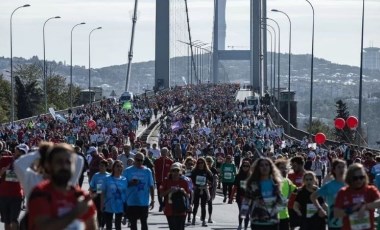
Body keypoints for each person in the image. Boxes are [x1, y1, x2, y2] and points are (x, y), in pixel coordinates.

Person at [28, 143, 97, 229]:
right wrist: (75, 212)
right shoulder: (40, 193)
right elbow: (43, 226)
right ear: (48, 165)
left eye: (68, 162)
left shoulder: (81, 196)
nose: (64, 166)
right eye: (59, 162)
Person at [334, 163, 380, 230]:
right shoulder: (343, 192)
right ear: (349, 178)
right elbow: (336, 212)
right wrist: (352, 209)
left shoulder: (370, 190)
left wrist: (365, 206)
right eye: (355, 178)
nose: (359, 180)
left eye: (361, 177)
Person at [243, 157, 283, 230]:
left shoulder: (275, 184)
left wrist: (273, 211)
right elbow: (247, 199)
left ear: (270, 167)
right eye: (261, 165)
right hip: (257, 221)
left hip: (272, 222)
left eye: (267, 165)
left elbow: (281, 202)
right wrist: (243, 212)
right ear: (258, 168)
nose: (264, 167)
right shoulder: (253, 184)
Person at [310, 159, 346, 230]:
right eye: (339, 167)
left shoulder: (350, 185)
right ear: (334, 170)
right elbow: (313, 196)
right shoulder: (329, 185)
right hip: (335, 224)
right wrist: (320, 209)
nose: (341, 169)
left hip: (349, 222)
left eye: (343, 167)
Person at [123, 152, 155, 230]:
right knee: (133, 223)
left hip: (143, 202)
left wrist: (153, 200)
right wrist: (131, 183)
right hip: (131, 202)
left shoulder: (148, 171)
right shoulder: (127, 171)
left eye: (141, 160)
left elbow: (151, 186)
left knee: (144, 222)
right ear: (134, 159)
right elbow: (123, 185)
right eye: (137, 160)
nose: (139, 162)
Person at [0, 143, 27, 230]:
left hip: (17, 195)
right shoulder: (5, 159)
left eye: (22, 152)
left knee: (14, 220)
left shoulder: (25, 163)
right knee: (6, 220)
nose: (19, 153)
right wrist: (8, 166)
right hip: (4, 194)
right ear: (15, 150)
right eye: (19, 150)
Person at [159, 162, 191, 230]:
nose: (175, 172)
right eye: (173, 170)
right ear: (170, 171)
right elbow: (161, 195)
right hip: (170, 209)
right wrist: (169, 190)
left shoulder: (184, 182)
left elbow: (188, 196)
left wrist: (183, 191)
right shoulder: (166, 181)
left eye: (177, 170)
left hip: (181, 209)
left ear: (180, 172)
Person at [101, 160, 127, 230]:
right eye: (117, 166)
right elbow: (102, 192)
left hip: (120, 205)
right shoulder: (107, 179)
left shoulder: (124, 179)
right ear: (113, 168)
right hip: (109, 205)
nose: (119, 168)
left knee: (118, 225)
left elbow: (126, 194)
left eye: (121, 166)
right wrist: (101, 204)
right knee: (109, 226)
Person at [190, 157, 214, 227]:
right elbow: (191, 181)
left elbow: (212, 181)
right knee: (196, 205)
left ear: (204, 163)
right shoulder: (194, 171)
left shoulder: (207, 171)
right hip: (196, 189)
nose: (200, 164)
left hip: (204, 190)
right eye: (199, 163)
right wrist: (194, 186)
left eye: (202, 163)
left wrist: (208, 185)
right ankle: (193, 218)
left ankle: (203, 221)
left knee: (203, 206)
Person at [275, 159, 297, 230]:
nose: (284, 170)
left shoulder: (287, 181)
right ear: (276, 169)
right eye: (281, 167)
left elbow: (297, 190)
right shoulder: (270, 180)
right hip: (273, 217)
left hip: (285, 216)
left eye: (285, 168)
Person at [229, 159, 251, 230]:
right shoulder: (238, 176)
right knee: (242, 211)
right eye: (244, 166)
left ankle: (245, 227)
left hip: (249, 198)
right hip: (240, 197)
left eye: (247, 166)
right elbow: (235, 187)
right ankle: (240, 225)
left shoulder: (252, 176)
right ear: (242, 167)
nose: (245, 167)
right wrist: (231, 197)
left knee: (247, 213)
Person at [89, 159, 110, 229]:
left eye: (103, 166)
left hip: (106, 196)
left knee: (105, 211)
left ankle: (103, 224)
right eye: (100, 166)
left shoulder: (109, 176)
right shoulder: (96, 175)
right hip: (97, 195)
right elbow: (91, 186)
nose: (101, 167)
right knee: (98, 211)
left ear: (106, 167)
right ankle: (99, 225)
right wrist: (91, 193)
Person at [287, 156, 305, 229]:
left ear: (301, 165)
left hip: (303, 206)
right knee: (292, 226)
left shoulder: (308, 176)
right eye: (292, 165)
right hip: (291, 205)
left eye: (295, 165)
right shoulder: (289, 175)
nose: (293, 167)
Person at [154, 147, 173, 212]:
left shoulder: (170, 161)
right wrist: (155, 178)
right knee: (159, 193)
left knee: (166, 194)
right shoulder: (157, 161)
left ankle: (163, 205)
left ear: (167, 153)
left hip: (166, 181)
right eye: (162, 152)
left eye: (165, 152)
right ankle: (161, 205)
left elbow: (171, 171)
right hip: (159, 180)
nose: (163, 153)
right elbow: (155, 170)